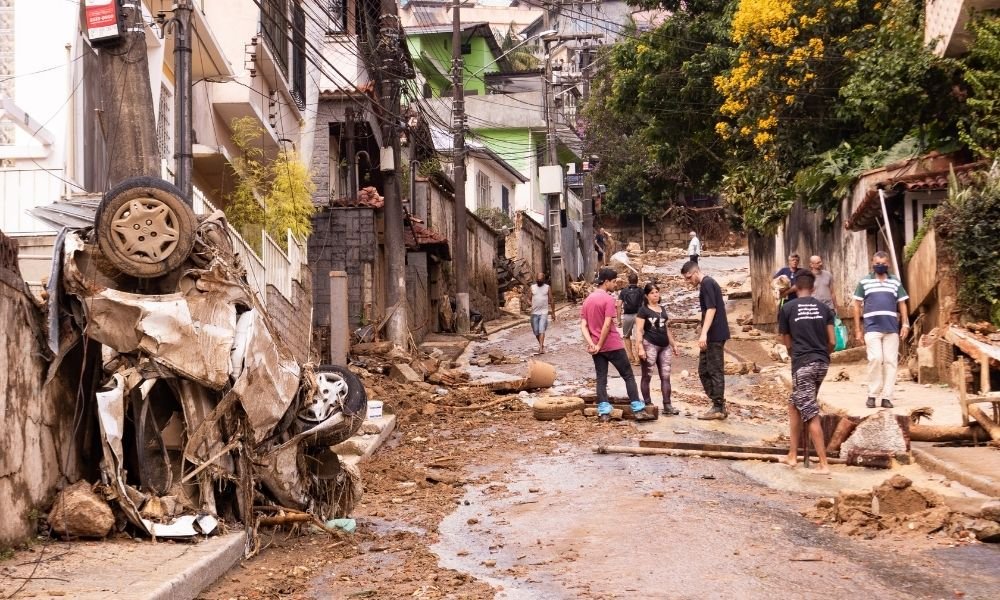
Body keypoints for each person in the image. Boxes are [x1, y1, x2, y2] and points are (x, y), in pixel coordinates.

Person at [580, 268, 656, 423]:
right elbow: (608, 325)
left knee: (601, 378)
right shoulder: (608, 299)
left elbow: (583, 325)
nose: (615, 285)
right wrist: (600, 343)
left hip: (597, 348)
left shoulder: (588, 300)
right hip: (612, 345)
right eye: (614, 282)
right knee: (628, 375)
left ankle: (604, 413)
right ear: (606, 281)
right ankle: (638, 410)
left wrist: (593, 344)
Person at [777, 271, 834, 474]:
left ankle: (823, 464)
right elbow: (833, 341)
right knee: (794, 405)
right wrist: (821, 355)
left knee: (810, 413)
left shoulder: (788, 308)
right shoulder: (825, 308)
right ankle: (793, 455)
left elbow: (786, 340)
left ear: (795, 286)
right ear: (813, 287)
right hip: (822, 363)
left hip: (802, 365)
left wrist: (796, 356)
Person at [853, 251, 909, 409]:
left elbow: (902, 304)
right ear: (872, 264)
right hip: (872, 327)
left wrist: (905, 324)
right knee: (876, 359)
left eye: (883, 263)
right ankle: (872, 394)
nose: (880, 266)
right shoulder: (864, 282)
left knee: (891, 362)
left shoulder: (895, 282)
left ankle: (887, 397)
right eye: (877, 263)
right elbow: (856, 306)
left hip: (891, 328)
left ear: (888, 264)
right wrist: (858, 329)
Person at [681, 261, 730, 419]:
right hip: (711, 334)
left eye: (688, 278)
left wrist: (704, 334)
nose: (688, 281)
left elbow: (711, 309)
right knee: (703, 370)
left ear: (695, 272)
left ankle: (717, 406)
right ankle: (718, 403)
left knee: (715, 370)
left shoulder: (707, 283)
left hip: (714, 334)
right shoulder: (707, 284)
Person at [634, 282, 681, 415]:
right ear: (647, 296)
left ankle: (667, 405)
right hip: (650, 344)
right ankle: (648, 403)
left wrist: (674, 344)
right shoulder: (643, 310)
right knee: (647, 375)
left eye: (657, 292)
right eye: (652, 293)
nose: (656, 295)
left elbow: (666, 328)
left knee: (665, 376)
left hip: (664, 346)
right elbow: (639, 330)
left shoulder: (663, 309)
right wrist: (640, 347)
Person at [616, 272, 644, 365]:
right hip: (639, 315)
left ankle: (630, 357)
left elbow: (619, 305)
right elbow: (646, 304)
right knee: (638, 337)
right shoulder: (641, 290)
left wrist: (619, 319)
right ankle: (638, 359)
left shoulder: (623, 291)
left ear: (628, 281)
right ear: (637, 281)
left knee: (626, 336)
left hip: (627, 316)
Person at [529, 272, 556, 354]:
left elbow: (551, 300)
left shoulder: (547, 287)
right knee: (536, 331)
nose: (539, 280)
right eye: (538, 279)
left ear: (543, 279)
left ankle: (540, 347)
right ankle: (542, 344)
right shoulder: (532, 287)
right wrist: (531, 304)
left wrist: (553, 313)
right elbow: (528, 298)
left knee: (541, 330)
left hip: (544, 312)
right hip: (534, 313)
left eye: (541, 279)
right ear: (536, 279)